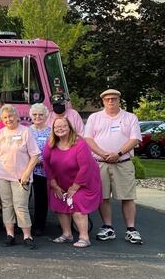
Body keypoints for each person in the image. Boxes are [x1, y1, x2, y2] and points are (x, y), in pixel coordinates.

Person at [83, 89, 143, 244]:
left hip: (122, 162)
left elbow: (135, 138)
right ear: (103, 101)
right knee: (103, 197)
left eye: (114, 99)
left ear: (119, 100)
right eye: (108, 99)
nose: (111, 101)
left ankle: (131, 229)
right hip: (100, 163)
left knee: (128, 196)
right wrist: (103, 154)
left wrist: (119, 152)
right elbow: (88, 139)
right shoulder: (95, 118)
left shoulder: (130, 117)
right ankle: (107, 227)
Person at [44, 118, 102, 248]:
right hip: (60, 181)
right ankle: (67, 234)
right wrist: (54, 184)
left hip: (83, 182)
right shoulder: (51, 144)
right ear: (53, 130)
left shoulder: (79, 143)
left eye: (63, 126)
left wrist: (75, 187)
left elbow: (85, 167)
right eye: (56, 127)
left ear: (69, 127)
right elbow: (46, 164)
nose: (60, 128)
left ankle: (84, 237)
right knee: (58, 200)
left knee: (76, 202)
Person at [0, 104, 40, 249]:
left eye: (10, 116)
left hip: (21, 177)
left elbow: (35, 155)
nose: (8, 119)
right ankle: (10, 235)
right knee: (7, 206)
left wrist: (26, 173)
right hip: (2, 175)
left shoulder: (26, 132)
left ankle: (27, 236)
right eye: (5, 117)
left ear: (17, 116)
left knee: (21, 206)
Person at [28, 103, 52, 236]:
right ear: (31, 116)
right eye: (35, 114)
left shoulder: (50, 132)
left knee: (41, 198)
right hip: (27, 170)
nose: (38, 117)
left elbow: (53, 151)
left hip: (42, 170)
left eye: (41, 114)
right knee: (24, 198)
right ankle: (25, 224)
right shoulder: (26, 130)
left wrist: (40, 160)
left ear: (46, 116)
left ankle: (39, 226)